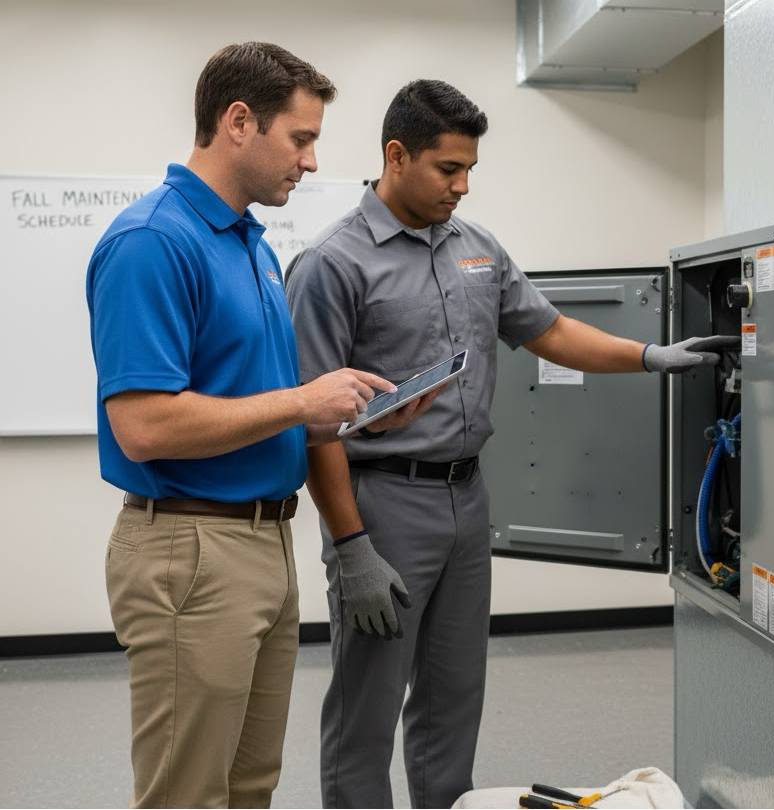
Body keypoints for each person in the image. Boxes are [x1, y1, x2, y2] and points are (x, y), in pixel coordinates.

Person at [284, 79, 739, 810]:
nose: (462, 186)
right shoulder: (332, 264)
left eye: (470, 170)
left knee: (451, 699)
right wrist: (350, 547)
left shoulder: (477, 248)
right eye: (447, 169)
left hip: (467, 500)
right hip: (383, 503)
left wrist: (649, 356)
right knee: (366, 709)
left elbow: (549, 331)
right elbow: (313, 423)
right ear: (396, 156)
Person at [85, 42, 429, 809]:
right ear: (239, 122)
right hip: (192, 548)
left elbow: (255, 411)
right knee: (187, 794)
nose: (311, 161)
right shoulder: (153, 242)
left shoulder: (252, 245)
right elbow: (143, 426)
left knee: (249, 786)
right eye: (300, 138)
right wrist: (303, 401)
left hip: (264, 541)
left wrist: (354, 420)